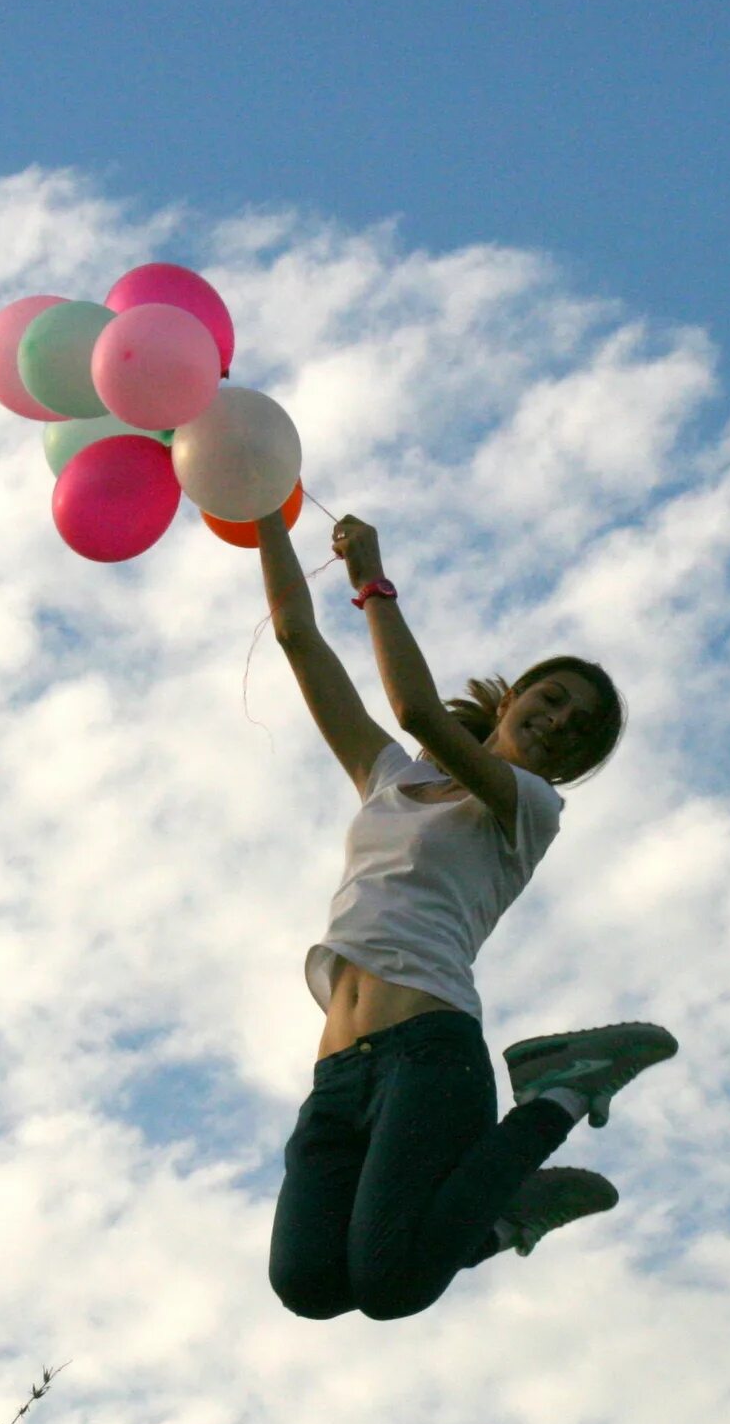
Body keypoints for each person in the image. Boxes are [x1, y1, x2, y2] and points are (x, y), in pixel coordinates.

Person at [252, 506, 678, 1322]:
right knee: (308, 1282)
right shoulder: (391, 779)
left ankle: (557, 1096)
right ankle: (497, 1211)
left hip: (427, 1056)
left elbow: (418, 711)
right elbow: (298, 640)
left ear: (578, 763)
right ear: (515, 696)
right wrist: (263, 509)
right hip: (337, 1075)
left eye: (577, 730)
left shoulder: (526, 806)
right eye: (550, 700)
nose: (556, 723)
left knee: (390, 1288)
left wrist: (371, 582)